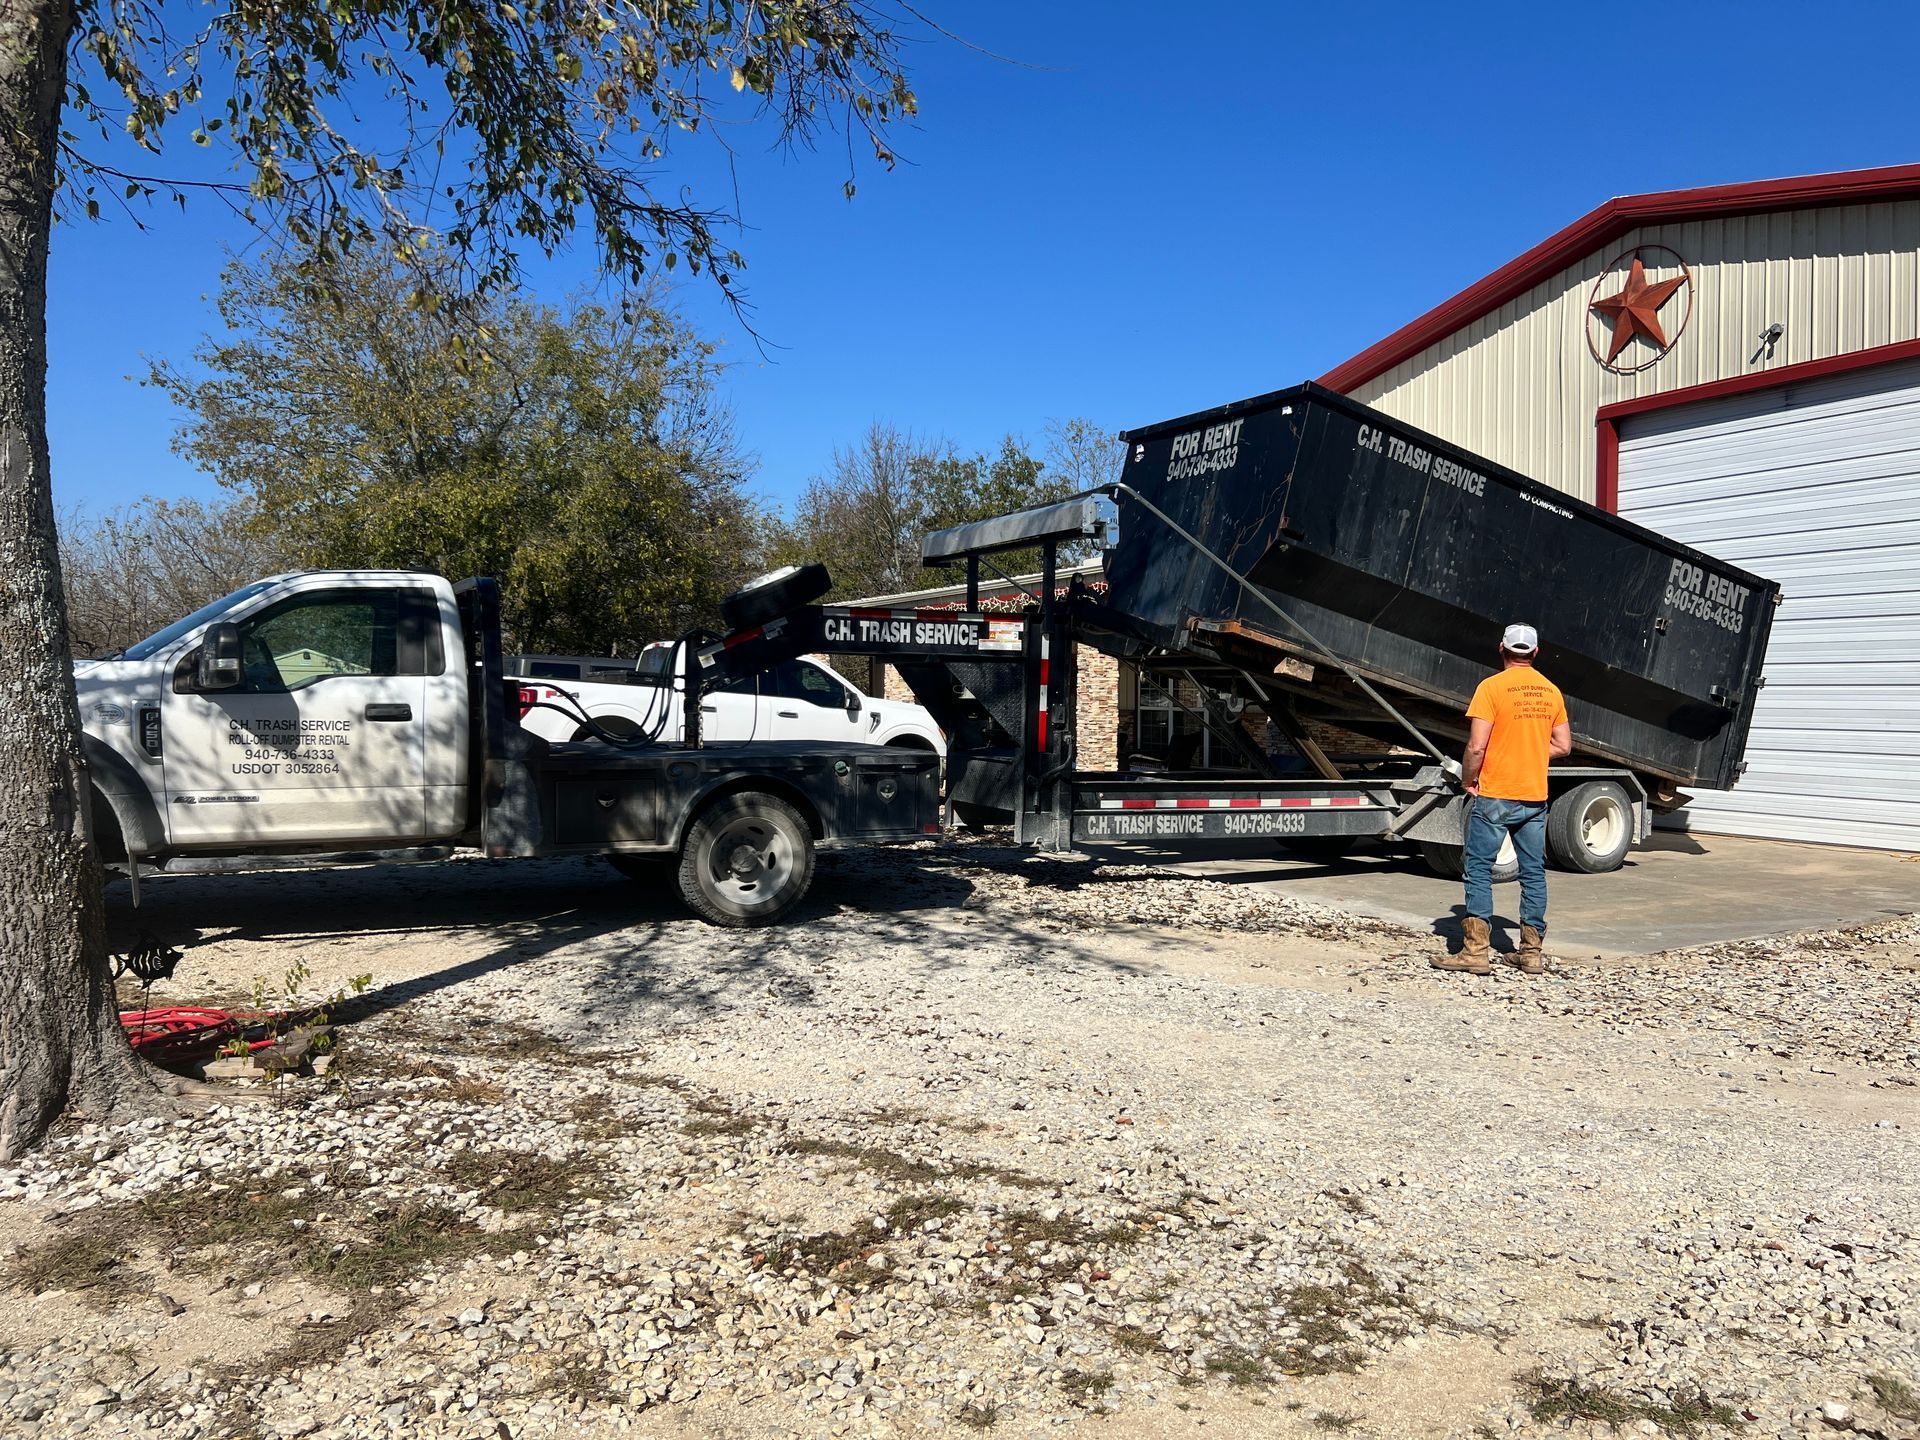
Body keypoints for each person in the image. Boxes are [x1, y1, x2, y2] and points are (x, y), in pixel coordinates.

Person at [1432, 623, 1571, 977]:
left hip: (1495, 793)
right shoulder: (1551, 691)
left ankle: (1475, 952)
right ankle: (1530, 954)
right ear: (1535, 652)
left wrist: (1468, 779)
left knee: (1478, 868)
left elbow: (1477, 746)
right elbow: (1563, 746)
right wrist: (1528, 753)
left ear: (1502, 649)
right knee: (1533, 873)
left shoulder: (1491, 688)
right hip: (1534, 797)